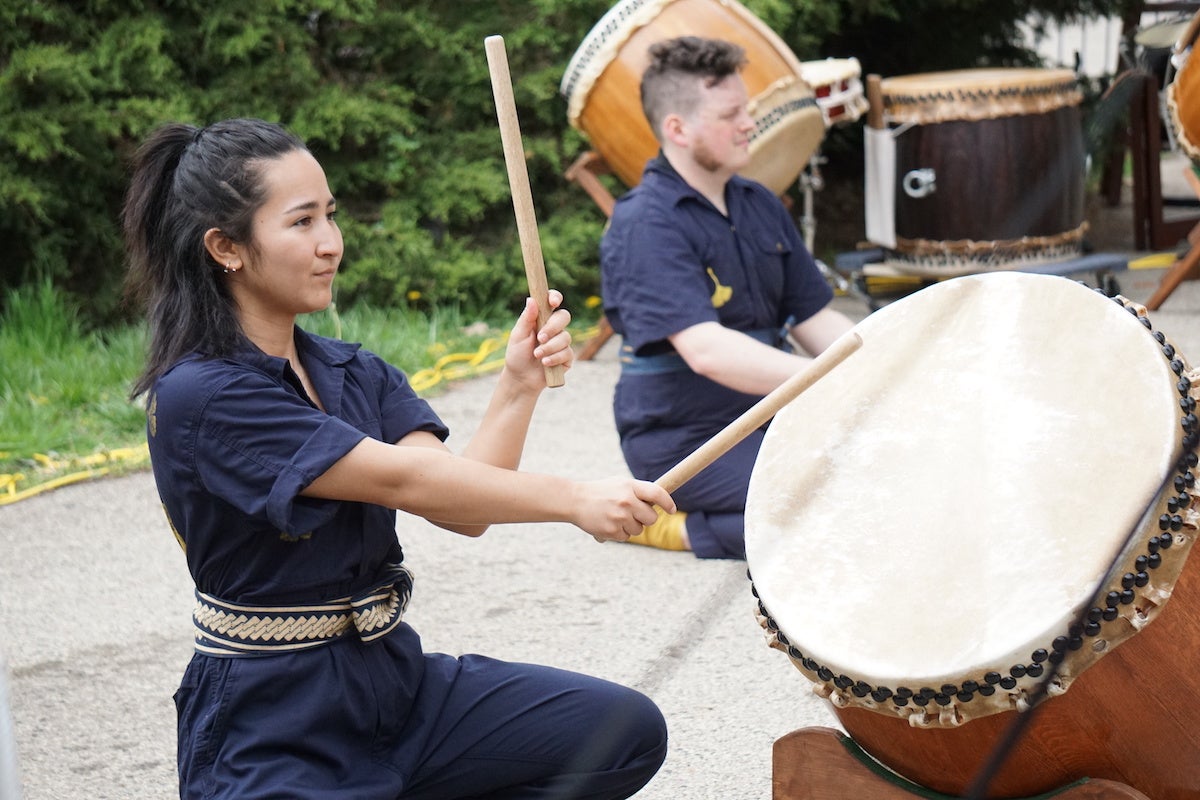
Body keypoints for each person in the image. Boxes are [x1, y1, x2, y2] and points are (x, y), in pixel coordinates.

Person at [122, 117, 676, 800]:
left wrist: (518, 384)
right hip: (272, 719)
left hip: (390, 684)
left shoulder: (353, 371)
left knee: (622, 732)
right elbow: (405, 476)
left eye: (330, 215)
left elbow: (457, 503)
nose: (330, 243)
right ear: (227, 247)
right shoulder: (203, 396)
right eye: (301, 223)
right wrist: (575, 500)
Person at [599, 36, 856, 560]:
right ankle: (677, 529)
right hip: (685, 439)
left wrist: (888, 358)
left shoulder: (757, 201)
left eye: (748, 108)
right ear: (677, 128)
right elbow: (707, 350)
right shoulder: (645, 220)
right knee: (832, 515)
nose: (749, 123)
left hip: (769, 416)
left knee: (902, 467)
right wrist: (839, 378)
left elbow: (815, 320)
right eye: (730, 113)